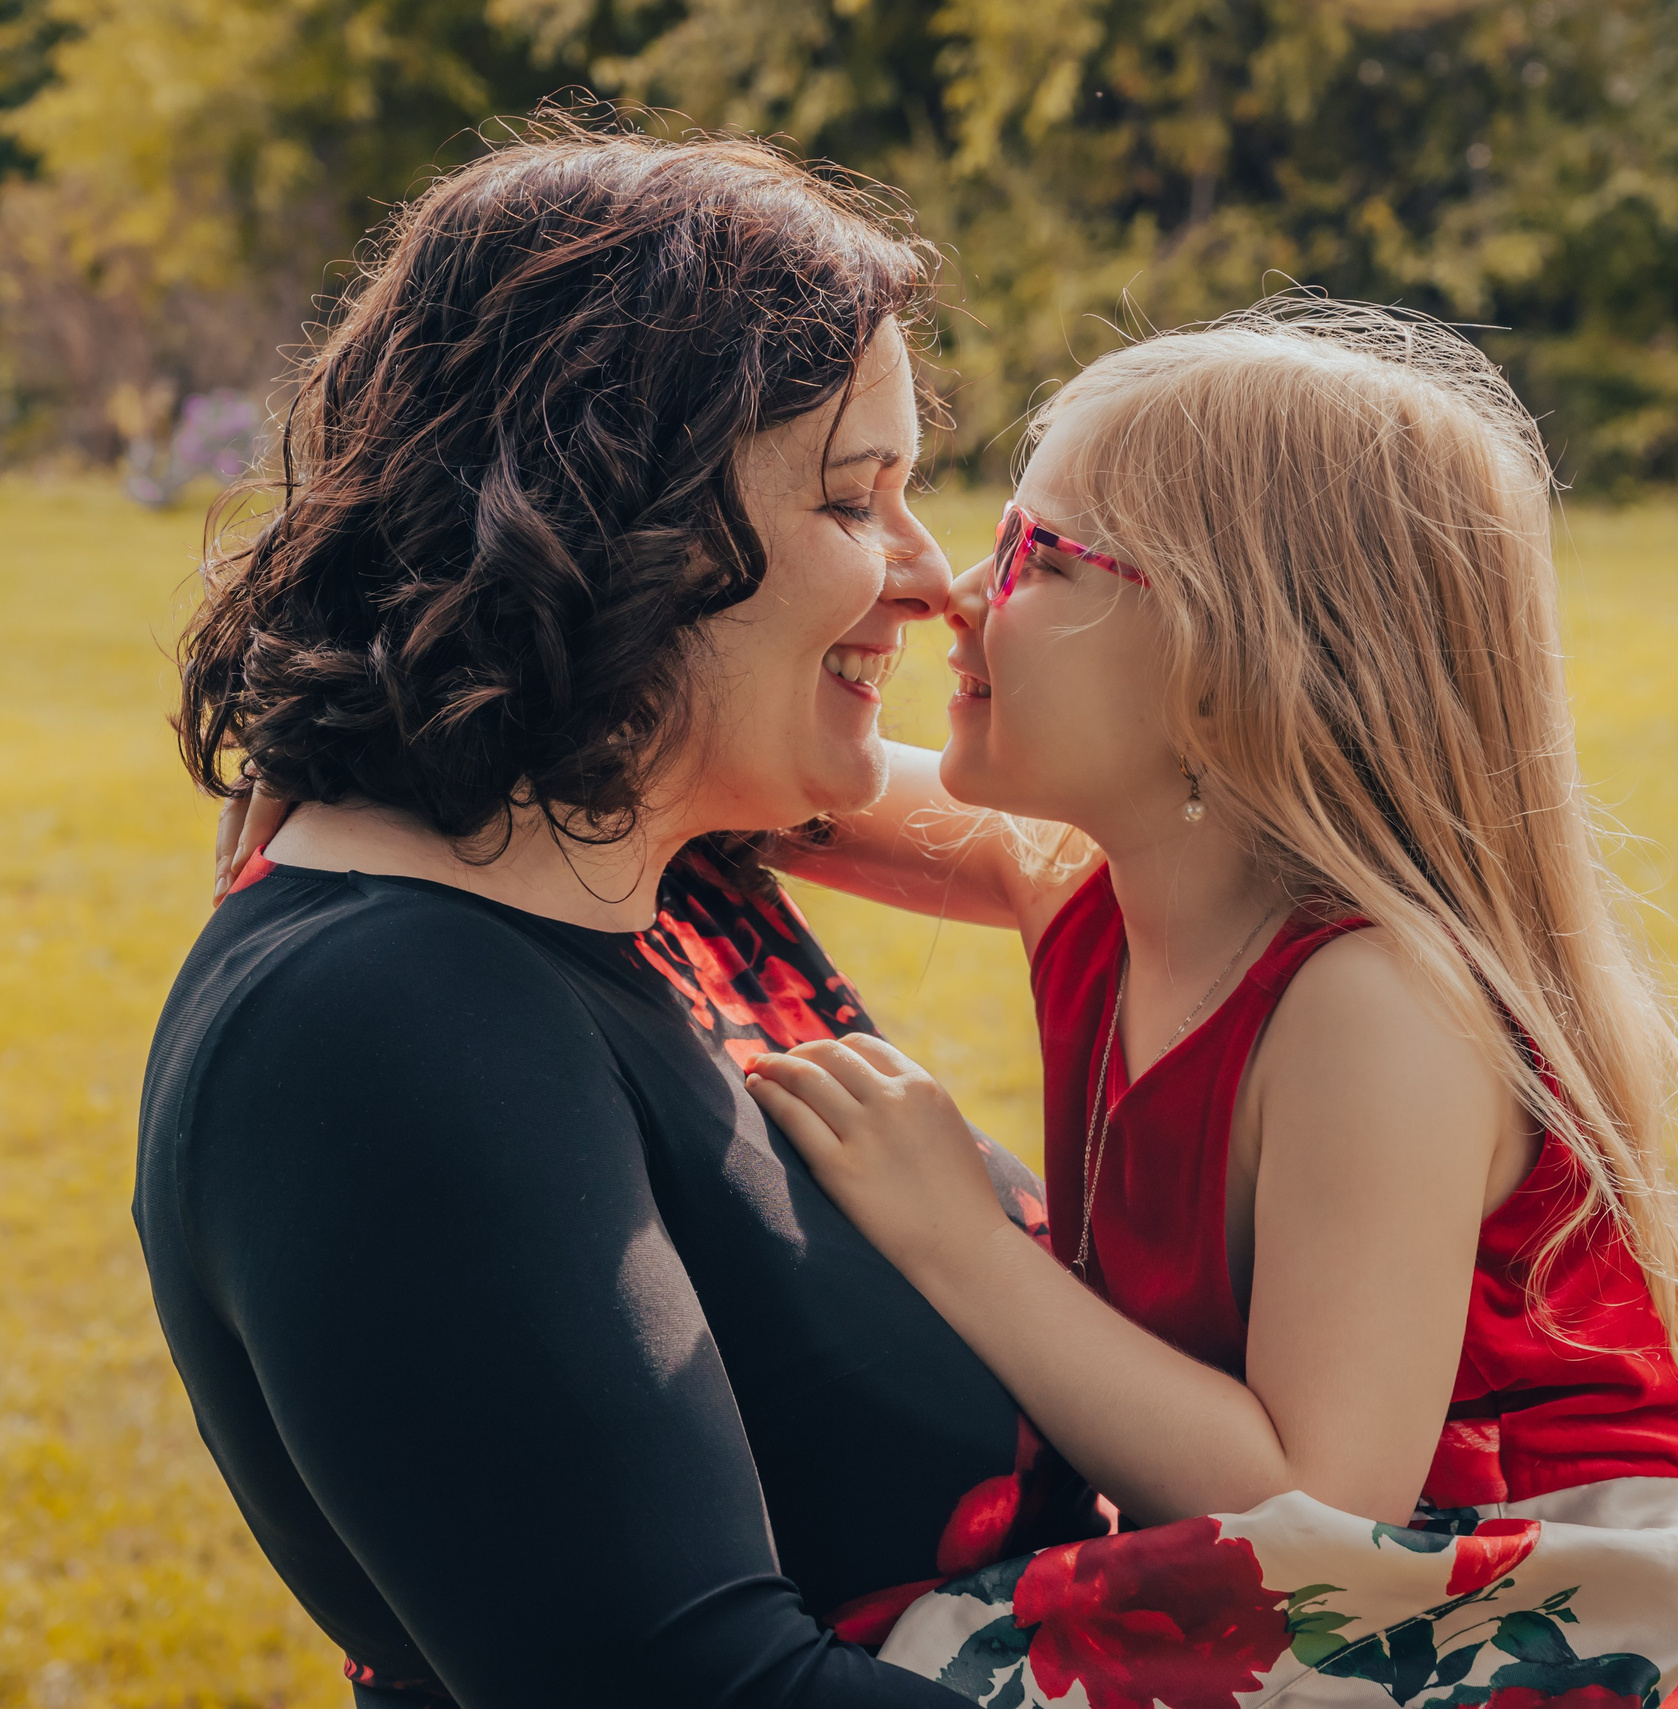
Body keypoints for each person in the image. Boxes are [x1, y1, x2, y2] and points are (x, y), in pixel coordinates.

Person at [143, 125, 1106, 1709]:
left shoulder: (639, 847)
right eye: (858, 498)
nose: (932, 581)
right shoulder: (385, 1025)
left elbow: (1107, 850)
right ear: (615, 517)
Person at [743, 301, 1678, 1706]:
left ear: (1237, 661)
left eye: (1040, 553)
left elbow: (1317, 1496)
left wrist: (960, 1240)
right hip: (1321, 1596)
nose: (959, 590)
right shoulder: (1090, 881)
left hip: (1506, 1614)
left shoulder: (1378, 1006)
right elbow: (768, 776)